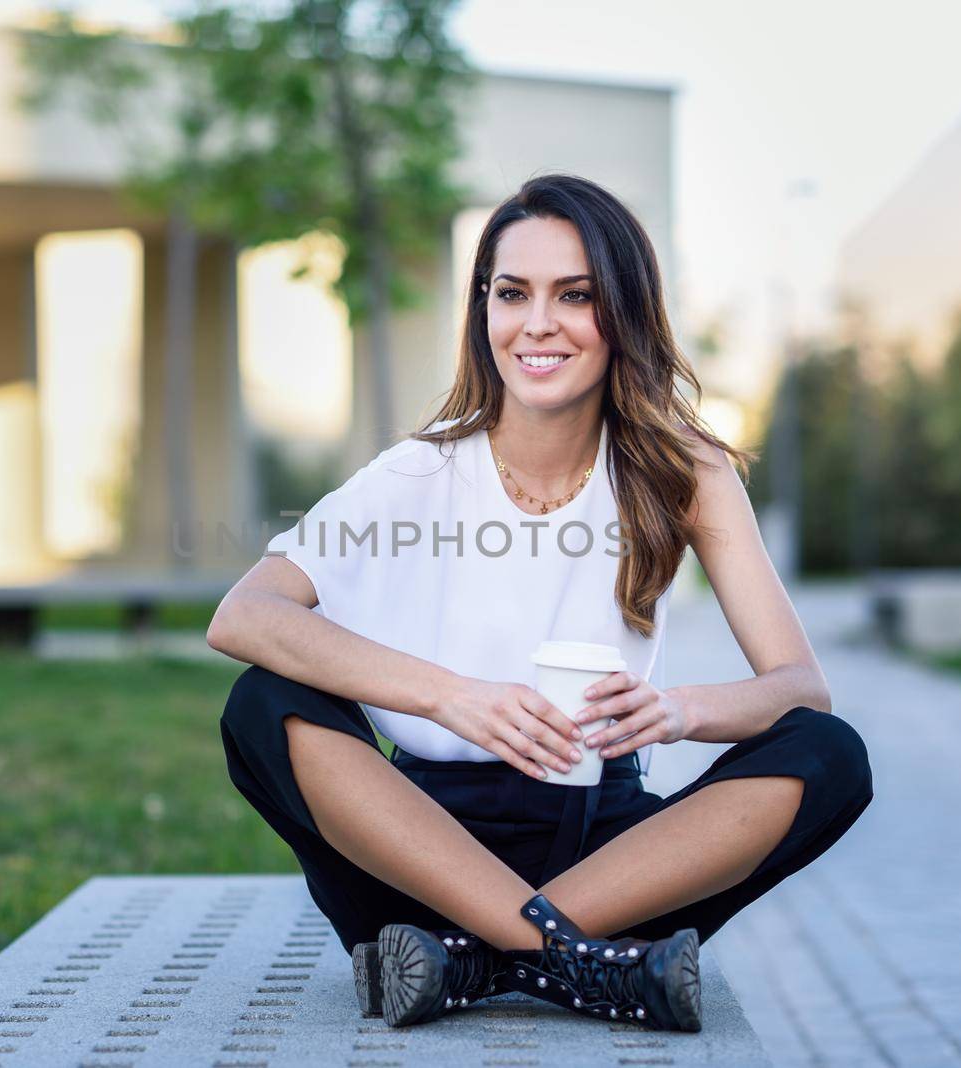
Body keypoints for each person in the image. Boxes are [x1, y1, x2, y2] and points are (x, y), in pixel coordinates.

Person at [209, 173, 873, 1033]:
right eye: (511, 293)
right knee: (263, 701)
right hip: (417, 853)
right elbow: (245, 617)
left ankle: (475, 964)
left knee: (829, 753)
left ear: (623, 313)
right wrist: (447, 694)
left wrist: (675, 712)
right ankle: (584, 966)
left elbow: (799, 688)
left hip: (607, 843)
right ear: (483, 311)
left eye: (576, 295)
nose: (537, 324)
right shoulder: (420, 472)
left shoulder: (686, 476)